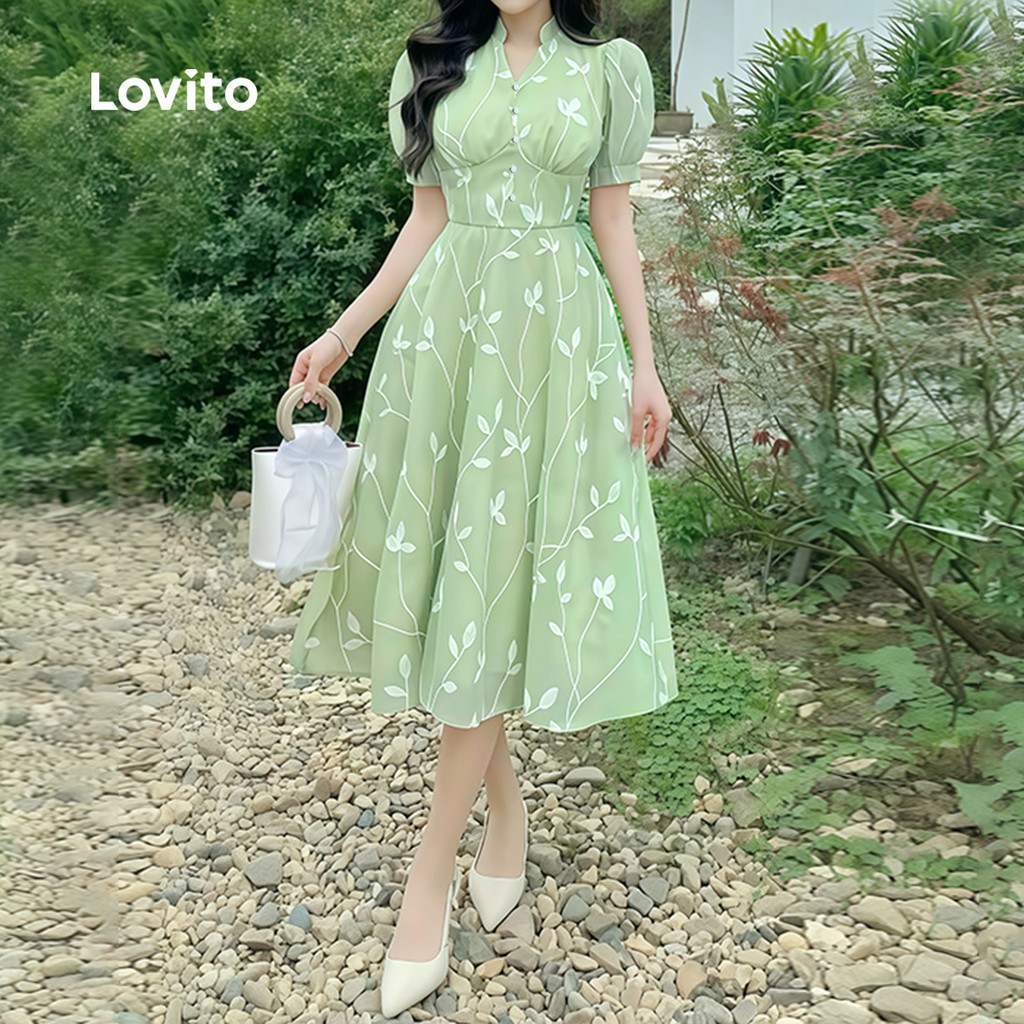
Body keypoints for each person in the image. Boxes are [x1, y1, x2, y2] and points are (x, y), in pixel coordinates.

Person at [286, 0, 679, 1015]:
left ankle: (430, 878)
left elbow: (613, 220)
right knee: (464, 581)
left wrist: (644, 366)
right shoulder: (431, 60)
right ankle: (503, 809)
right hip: (446, 339)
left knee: (500, 571)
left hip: (557, 344)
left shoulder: (611, 69)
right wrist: (341, 336)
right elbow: (428, 219)